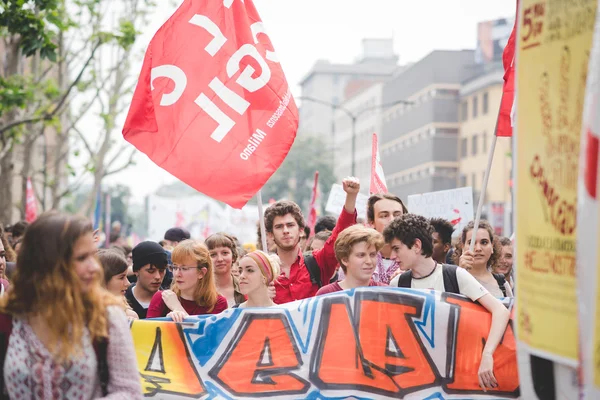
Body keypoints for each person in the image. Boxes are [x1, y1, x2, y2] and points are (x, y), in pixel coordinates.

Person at [0, 212, 142, 399]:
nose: (95, 267)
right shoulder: (8, 316)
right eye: (82, 258)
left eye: (93, 255)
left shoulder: (107, 316)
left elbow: (129, 391)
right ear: (47, 262)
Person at [384, 214, 510, 392]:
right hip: (416, 384)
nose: (392, 256)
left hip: (458, 384)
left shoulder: (455, 275)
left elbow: (501, 311)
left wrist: (487, 354)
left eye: (397, 248)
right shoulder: (397, 284)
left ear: (417, 245)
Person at [265, 177, 359, 304]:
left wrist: (351, 196)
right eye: (279, 227)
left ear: (301, 230)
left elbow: (341, 235)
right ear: (270, 234)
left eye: (290, 225)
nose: (285, 230)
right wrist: (259, 298)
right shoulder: (263, 273)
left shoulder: (318, 262)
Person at [147, 240, 228, 321]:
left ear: (201, 273)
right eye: (175, 267)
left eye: (184, 268)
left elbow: (203, 333)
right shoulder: (162, 297)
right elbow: (148, 332)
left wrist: (177, 307)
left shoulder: (218, 303)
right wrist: (167, 323)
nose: (177, 274)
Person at [316, 225, 385, 295]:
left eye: (372, 255)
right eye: (361, 255)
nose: (369, 261)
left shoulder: (386, 292)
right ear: (345, 260)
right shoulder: (326, 294)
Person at [454, 221, 513, 298]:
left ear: (492, 246)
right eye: (471, 242)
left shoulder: (502, 284)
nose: (478, 248)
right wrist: (460, 274)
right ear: (463, 247)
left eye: (484, 242)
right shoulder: (451, 280)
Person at [366, 193, 408, 284]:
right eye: (384, 216)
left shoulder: (416, 257)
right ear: (371, 222)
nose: (392, 220)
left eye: (397, 215)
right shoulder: (361, 257)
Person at [125, 241, 168, 319]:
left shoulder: (169, 301)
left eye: (162, 270)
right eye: (150, 271)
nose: (158, 277)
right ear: (136, 271)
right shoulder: (122, 298)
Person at [205, 233, 245, 307]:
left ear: (233, 256)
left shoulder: (246, 287)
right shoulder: (199, 291)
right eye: (213, 255)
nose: (220, 259)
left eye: (225, 253)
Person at [97, 249, 139, 320]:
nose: (128, 283)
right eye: (121, 277)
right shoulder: (80, 313)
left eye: (126, 276)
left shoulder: (129, 315)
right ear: (103, 280)